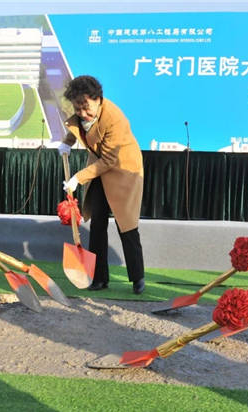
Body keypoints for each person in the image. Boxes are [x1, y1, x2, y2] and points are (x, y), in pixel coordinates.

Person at [58, 75, 145, 294]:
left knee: (126, 224)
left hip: (123, 168)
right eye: (78, 108)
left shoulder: (114, 118)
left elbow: (110, 160)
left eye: (86, 108)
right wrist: (66, 143)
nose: (83, 113)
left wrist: (78, 178)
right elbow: (78, 126)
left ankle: (137, 278)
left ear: (98, 99)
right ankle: (99, 278)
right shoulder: (82, 115)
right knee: (97, 222)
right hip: (98, 169)